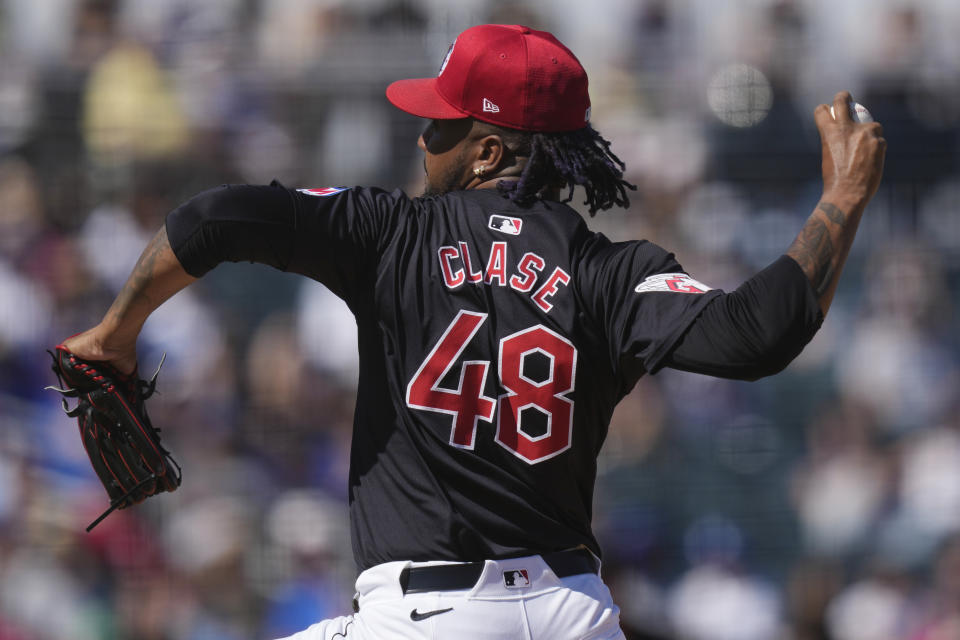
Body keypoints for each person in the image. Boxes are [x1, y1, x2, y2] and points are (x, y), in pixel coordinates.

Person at [60, 24, 886, 640]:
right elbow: (759, 334)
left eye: (440, 124)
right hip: (573, 613)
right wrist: (844, 196)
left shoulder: (389, 235)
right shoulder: (613, 272)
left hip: (425, 613)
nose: (424, 137)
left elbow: (214, 216)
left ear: (488, 148)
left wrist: (114, 331)